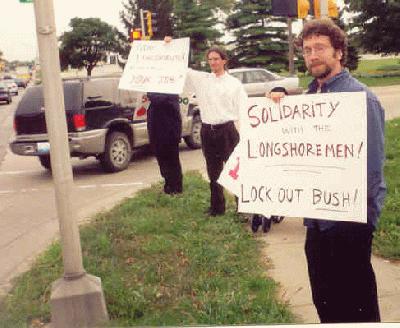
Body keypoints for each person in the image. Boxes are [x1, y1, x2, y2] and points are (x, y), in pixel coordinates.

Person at [269, 18, 386, 323]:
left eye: (320, 48)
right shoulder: (309, 100)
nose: (312, 55)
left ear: (338, 52)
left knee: (358, 306)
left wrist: (364, 222)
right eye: (307, 49)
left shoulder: (361, 98)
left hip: (350, 224)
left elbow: (373, 170)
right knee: (324, 300)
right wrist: (278, 107)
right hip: (317, 224)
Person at [164, 37, 248, 216]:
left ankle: (243, 207)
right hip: (208, 131)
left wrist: (244, 132)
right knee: (213, 171)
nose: (213, 62)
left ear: (224, 61)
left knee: (234, 169)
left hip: (227, 131)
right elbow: (181, 69)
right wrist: (170, 46)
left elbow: (244, 109)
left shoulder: (234, 84)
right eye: (210, 59)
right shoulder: (202, 80)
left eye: (216, 59)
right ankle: (217, 208)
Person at [147, 92, 183, 195]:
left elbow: (158, 99)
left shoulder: (171, 94)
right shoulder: (153, 103)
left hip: (170, 133)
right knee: (162, 161)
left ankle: (176, 188)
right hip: (156, 133)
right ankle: (168, 185)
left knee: (173, 161)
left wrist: (152, 95)